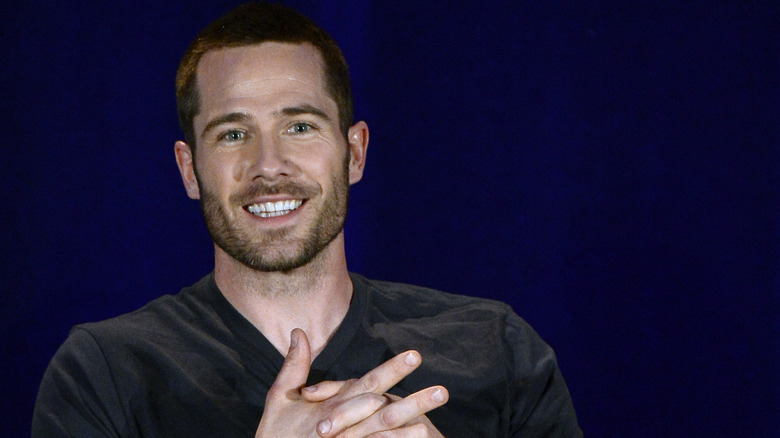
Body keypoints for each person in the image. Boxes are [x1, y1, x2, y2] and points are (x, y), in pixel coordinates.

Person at [32, 3, 582, 437]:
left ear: (356, 152)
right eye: (232, 133)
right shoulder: (105, 373)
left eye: (300, 127)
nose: (268, 165)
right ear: (189, 169)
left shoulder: (496, 350)